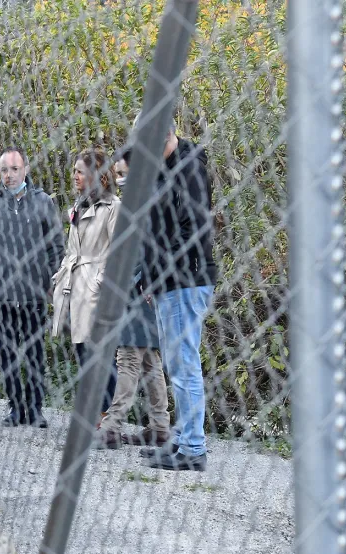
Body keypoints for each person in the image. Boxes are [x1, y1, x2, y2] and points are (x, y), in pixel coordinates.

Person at [131, 116, 219, 471]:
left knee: (184, 365)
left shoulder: (189, 168)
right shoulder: (162, 169)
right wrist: (148, 275)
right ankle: (182, 441)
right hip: (168, 282)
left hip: (186, 280)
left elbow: (193, 230)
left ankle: (193, 449)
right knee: (176, 364)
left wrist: (161, 272)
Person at [0, 146, 64, 428]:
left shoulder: (43, 202)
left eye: (14, 169)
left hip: (34, 296)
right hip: (2, 297)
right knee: (8, 355)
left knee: (35, 355)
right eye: (3, 170)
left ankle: (35, 409)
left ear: (25, 169)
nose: (9, 175)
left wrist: (48, 281)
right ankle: (15, 408)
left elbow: (56, 246)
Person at [98, 155, 170, 448]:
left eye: (121, 172)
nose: (117, 179)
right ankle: (160, 425)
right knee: (151, 360)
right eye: (116, 173)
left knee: (128, 358)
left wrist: (126, 285)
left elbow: (142, 250)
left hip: (137, 289)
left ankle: (112, 426)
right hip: (146, 289)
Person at [52, 148, 121, 421]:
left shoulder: (113, 207)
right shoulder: (77, 206)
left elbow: (119, 251)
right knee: (82, 351)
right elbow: (72, 250)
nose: (75, 176)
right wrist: (60, 277)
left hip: (95, 289)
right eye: (75, 171)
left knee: (101, 354)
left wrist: (98, 282)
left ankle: (104, 414)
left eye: (80, 171)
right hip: (73, 286)